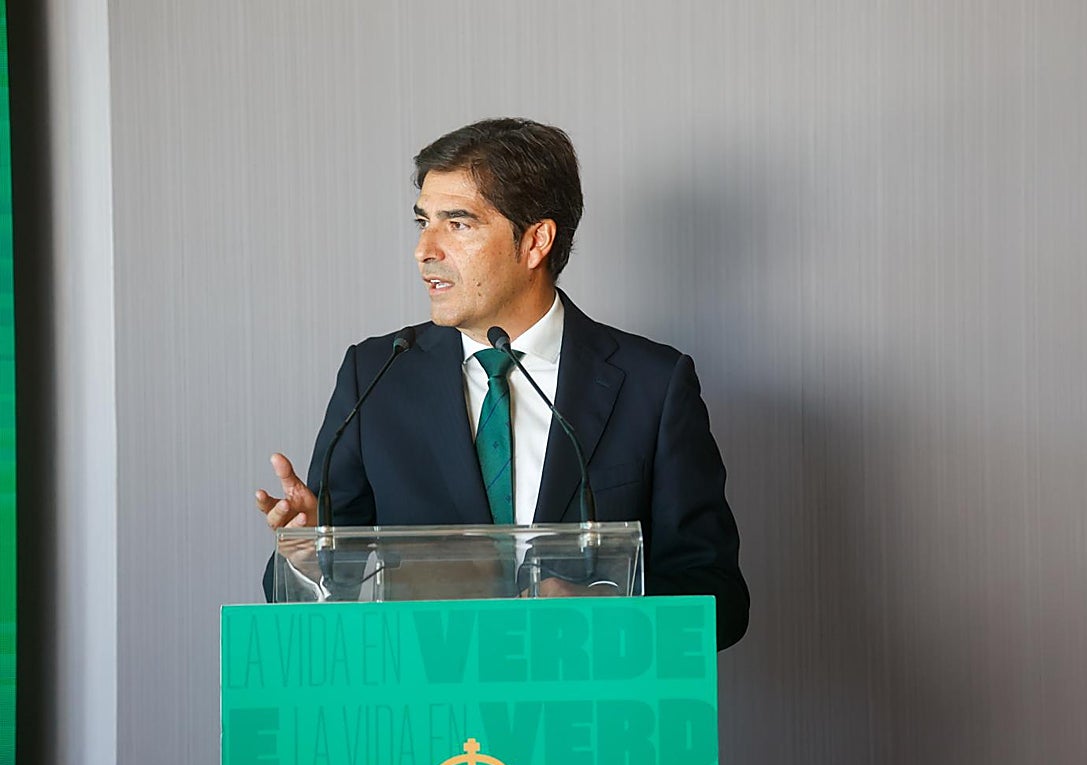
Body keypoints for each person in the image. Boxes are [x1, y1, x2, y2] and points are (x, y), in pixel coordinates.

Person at [255, 118, 749, 649]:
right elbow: (316, 595)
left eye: (458, 223)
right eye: (423, 221)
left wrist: (611, 610)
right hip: (428, 715)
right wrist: (309, 558)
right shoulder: (376, 375)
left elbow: (719, 600)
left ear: (536, 241)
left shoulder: (654, 384)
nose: (424, 250)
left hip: (587, 715)